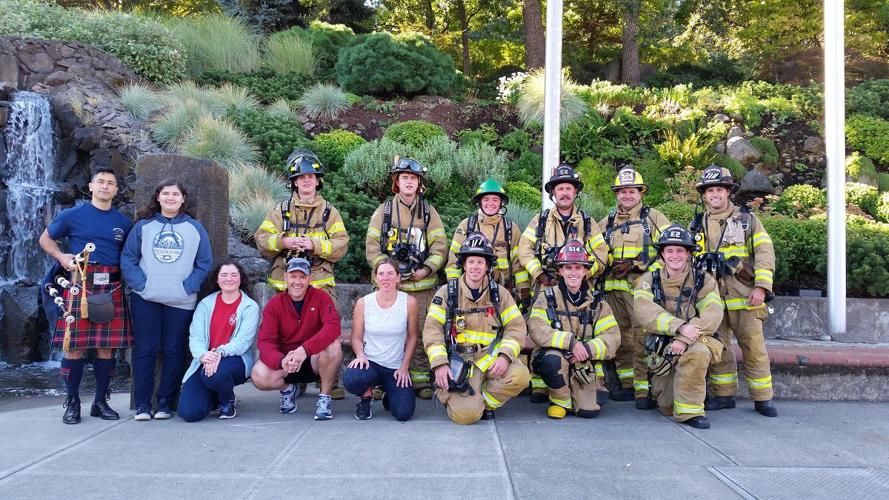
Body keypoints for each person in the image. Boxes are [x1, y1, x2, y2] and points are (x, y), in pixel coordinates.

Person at [38, 167, 133, 424]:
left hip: (111, 288)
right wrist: (61, 256)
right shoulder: (72, 215)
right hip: (79, 286)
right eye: (100, 182)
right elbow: (45, 239)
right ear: (91, 187)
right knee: (74, 348)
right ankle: (72, 403)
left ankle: (101, 402)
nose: (105, 186)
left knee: (106, 348)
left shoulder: (124, 223)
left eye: (110, 183)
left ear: (116, 190)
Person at [254, 148, 349, 400]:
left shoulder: (330, 212)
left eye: (311, 176)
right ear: (294, 182)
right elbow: (261, 239)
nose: (306, 180)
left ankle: (329, 381)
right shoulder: (280, 211)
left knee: (326, 333)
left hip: (320, 285)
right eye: (301, 177)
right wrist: (284, 242)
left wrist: (314, 246)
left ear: (318, 181)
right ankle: (297, 379)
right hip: (286, 284)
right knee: (289, 333)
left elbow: (342, 244)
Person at [689, 166, 778, 417]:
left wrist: (761, 287)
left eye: (719, 189)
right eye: (709, 190)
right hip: (713, 299)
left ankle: (763, 398)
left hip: (745, 295)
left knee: (754, 347)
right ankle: (724, 395)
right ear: (704, 195)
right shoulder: (697, 224)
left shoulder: (747, 220)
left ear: (728, 192)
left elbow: (764, 253)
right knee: (720, 348)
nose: (714, 194)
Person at [121, 179, 213, 421]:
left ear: (183, 199)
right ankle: (142, 404)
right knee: (145, 350)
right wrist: (141, 285)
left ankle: (164, 403)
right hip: (146, 298)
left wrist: (188, 287)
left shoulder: (195, 228)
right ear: (158, 197)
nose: (171, 198)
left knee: (173, 351)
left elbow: (204, 263)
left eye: (175, 194)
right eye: (166, 193)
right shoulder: (143, 226)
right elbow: (128, 258)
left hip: (181, 301)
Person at [517, 163, 609, 402]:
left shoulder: (588, 223)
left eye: (569, 188)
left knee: (581, 328)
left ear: (575, 192)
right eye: (560, 188)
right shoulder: (541, 220)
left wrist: (581, 275)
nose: (565, 192)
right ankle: (540, 385)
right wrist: (539, 274)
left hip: (579, 286)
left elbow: (601, 254)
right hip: (546, 285)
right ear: (553, 193)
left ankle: (586, 379)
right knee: (542, 329)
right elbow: (524, 250)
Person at [424, 232, 530, 424]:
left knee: (520, 375)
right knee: (467, 417)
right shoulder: (448, 293)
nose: (475, 267)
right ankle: (457, 396)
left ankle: (483, 403)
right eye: (471, 261)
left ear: (487, 266)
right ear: (463, 264)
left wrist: (505, 357)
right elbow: (432, 330)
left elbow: (516, 328)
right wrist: (440, 364)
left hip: (489, 359)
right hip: (460, 361)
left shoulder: (500, 294)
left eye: (480, 262)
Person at [366, 157, 448, 399]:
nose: (409, 182)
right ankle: (381, 380)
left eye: (413, 178)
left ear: (419, 183)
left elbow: (440, 248)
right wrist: (388, 272)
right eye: (404, 178)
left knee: (423, 331)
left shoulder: (429, 213)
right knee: (382, 332)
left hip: (422, 286)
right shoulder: (384, 212)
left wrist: (425, 270)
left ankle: (420, 380)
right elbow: (372, 247)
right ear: (396, 182)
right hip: (389, 288)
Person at [633, 225, 725, 428]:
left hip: (696, 339)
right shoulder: (648, 280)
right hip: (662, 346)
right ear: (662, 254)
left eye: (680, 250)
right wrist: (679, 328)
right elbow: (645, 311)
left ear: (689, 253)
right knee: (666, 405)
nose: (675, 255)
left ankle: (690, 412)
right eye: (669, 250)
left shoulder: (704, 280)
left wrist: (685, 338)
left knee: (698, 353)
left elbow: (713, 313)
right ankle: (680, 397)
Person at [598, 167, 672, 406]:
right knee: (617, 337)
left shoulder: (654, 219)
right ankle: (627, 385)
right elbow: (594, 252)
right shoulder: (606, 222)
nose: (627, 195)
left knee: (642, 338)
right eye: (622, 191)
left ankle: (643, 391)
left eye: (631, 191)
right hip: (611, 291)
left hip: (641, 291)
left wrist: (640, 267)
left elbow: (671, 251)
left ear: (641, 193)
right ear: (616, 194)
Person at [526, 240, 621, 419]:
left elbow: (612, 337)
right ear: (560, 271)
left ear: (585, 271)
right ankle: (560, 401)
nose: (573, 273)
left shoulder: (597, 303)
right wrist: (571, 343)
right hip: (556, 360)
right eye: (568, 268)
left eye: (578, 268)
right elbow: (537, 329)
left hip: (584, 363)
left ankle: (577, 395)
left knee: (589, 412)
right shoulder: (546, 298)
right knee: (552, 360)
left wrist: (586, 350)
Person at [251, 258, 343, 420]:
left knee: (334, 345)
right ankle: (288, 389)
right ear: (285, 277)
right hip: (287, 363)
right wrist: (281, 361)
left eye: (302, 277)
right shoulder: (274, 304)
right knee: (258, 374)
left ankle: (324, 397)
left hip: (313, 360)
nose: (297, 281)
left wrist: (304, 350)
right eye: (293, 276)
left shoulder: (322, 297)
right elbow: (265, 342)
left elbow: (333, 327)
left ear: (310, 279)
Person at [178, 260, 259, 422]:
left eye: (234, 275)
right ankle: (215, 394)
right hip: (206, 360)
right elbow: (196, 336)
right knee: (189, 413)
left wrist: (219, 353)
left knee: (214, 375)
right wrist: (202, 356)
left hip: (235, 359)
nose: (229, 279)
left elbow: (243, 342)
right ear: (217, 279)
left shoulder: (250, 307)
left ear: (241, 279)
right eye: (224, 275)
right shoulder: (205, 304)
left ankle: (227, 400)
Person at [343, 258, 418, 421]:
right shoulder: (364, 303)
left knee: (404, 413)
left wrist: (404, 367)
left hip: (395, 367)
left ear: (398, 277)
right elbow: (356, 337)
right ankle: (366, 397)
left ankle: (389, 394)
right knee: (351, 379)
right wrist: (360, 356)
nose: (386, 278)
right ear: (375, 278)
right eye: (381, 274)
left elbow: (413, 336)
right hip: (371, 363)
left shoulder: (409, 302)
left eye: (391, 273)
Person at [445, 179, 530, 306]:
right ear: (479, 202)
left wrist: (523, 293)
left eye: (495, 200)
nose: (490, 203)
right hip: (470, 295)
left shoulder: (511, 229)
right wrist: (455, 290)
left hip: (503, 295)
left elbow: (519, 266)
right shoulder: (466, 226)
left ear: (501, 203)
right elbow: (453, 263)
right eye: (486, 199)